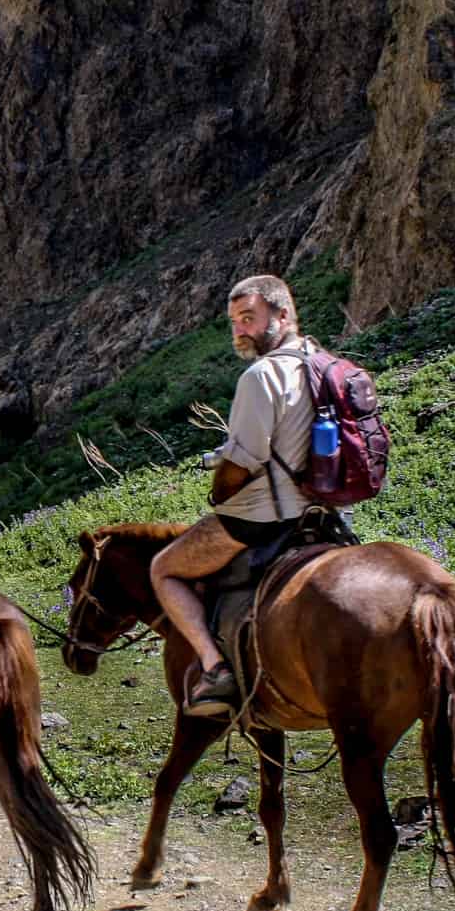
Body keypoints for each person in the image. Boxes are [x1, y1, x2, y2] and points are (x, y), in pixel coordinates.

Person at [150, 274, 320, 718]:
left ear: (283, 315)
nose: (240, 330)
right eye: (234, 322)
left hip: (267, 517)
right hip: (324, 513)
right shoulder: (324, 364)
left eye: (249, 318)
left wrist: (219, 492)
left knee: (164, 568)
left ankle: (214, 667)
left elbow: (242, 462)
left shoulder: (260, 376)